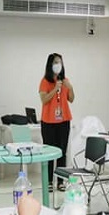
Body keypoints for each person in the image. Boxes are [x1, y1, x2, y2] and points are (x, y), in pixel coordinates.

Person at [38, 53, 75, 191]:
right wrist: (55, 89)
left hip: (63, 120)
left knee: (62, 152)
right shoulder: (45, 81)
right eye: (55, 62)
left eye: (60, 62)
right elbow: (44, 99)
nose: (58, 65)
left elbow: (71, 99)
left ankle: (60, 181)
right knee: (49, 152)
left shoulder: (65, 80)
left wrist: (69, 87)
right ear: (50, 65)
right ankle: (48, 182)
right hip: (48, 121)